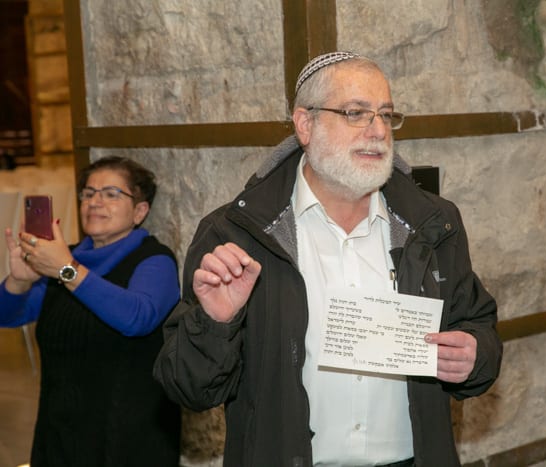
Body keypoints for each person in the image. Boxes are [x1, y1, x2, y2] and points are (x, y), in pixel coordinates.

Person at [154, 52, 502, 467]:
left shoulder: (433, 224)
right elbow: (190, 388)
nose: (378, 131)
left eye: (386, 115)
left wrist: (474, 355)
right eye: (356, 113)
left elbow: (478, 326)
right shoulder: (236, 234)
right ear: (305, 124)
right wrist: (216, 323)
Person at [1, 156, 181, 466]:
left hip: (128, 440)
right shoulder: (62, 259)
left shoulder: (154, 260)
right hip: (59, 436)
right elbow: (8, 316)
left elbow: (137, 318)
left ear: (140, 211)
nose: (95, 202)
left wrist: (67, 270)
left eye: (111, 194)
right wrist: (19, 281)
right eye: (88, 193)